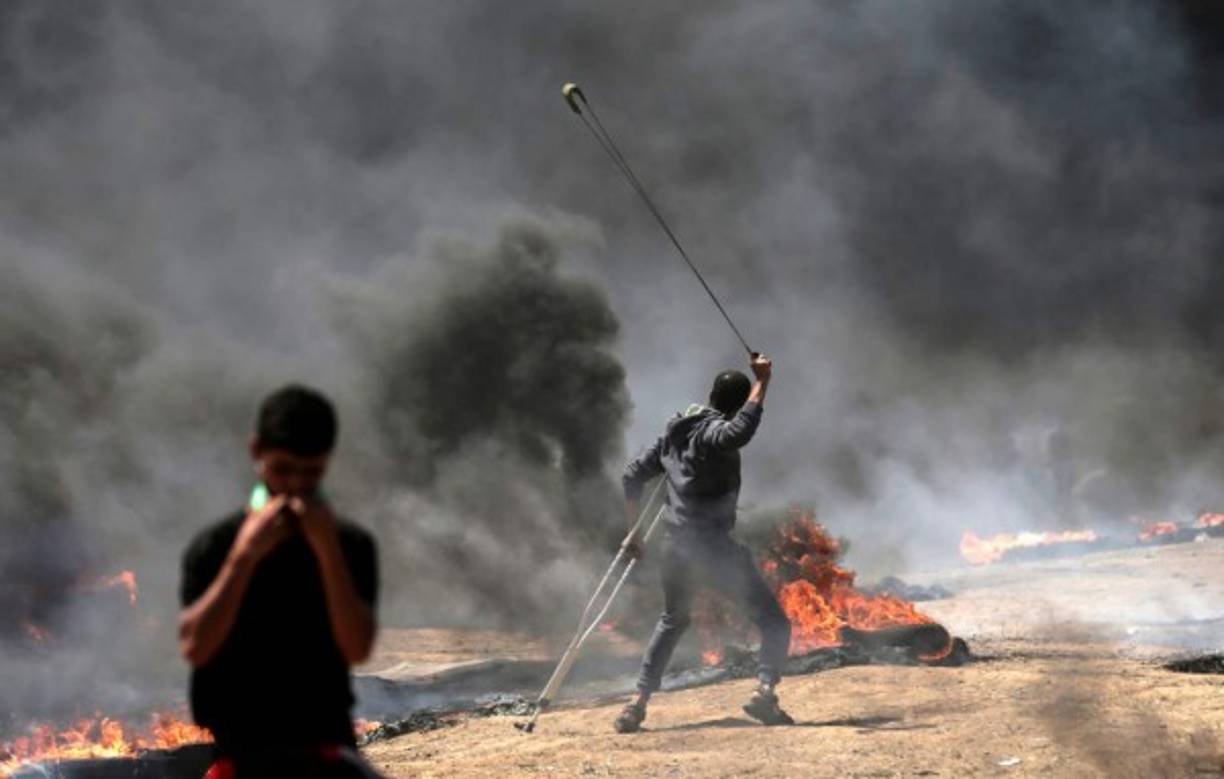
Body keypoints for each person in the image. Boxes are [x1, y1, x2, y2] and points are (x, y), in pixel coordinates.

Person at [179, 385, 382, 778]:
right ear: (257, 451)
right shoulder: (216, 545)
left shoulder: (351, 545)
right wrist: (243, 557)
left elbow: (357, 646)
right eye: (283, 469)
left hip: (325, 753)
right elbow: (195, 645)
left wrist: (327, 550)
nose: (295, 485)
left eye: (311, 473)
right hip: (241, 757)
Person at [614, 355, 793, 733]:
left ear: (711, 395)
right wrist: (764, 380)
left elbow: (632, 476)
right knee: (774, 621)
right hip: (714, 551)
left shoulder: (674, 434)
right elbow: (740, 431)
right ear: (735, 406)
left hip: (675, 548)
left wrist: (634, 532)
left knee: (672, 620)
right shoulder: (714, 435)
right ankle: (764, 694)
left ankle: (636, 705)